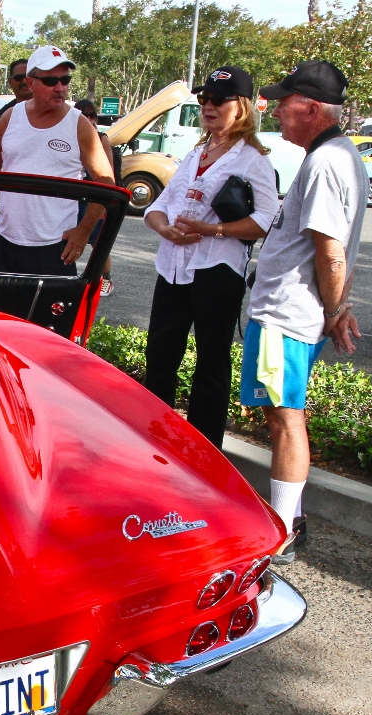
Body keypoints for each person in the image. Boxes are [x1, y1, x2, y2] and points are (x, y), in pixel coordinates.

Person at [242, 60, 366, 564]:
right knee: (284, 412)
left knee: (284, 418)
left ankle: (284, 530)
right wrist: (336, 306)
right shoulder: (340, 156)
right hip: (293, 313)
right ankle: (287, 518)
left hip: (286, 316)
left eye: (285, 101)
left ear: (310, 107)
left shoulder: (326, 163)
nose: (274, 110)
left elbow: (331, 252)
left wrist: (335, 310)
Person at [142, 66, 280, 449]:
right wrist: (163, 228)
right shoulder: (195, 152)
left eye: (220, 100)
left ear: (244, 107)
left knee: (211, 365)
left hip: (215, 271)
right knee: (160, 357)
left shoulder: (253, 159)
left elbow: (266, 220)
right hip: (172, 268)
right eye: (205, 99)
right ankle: (156, 442)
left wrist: (213, 231)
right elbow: (158, 206)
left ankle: (205, 455)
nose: (209, 106)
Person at [0, 45, 115, 277]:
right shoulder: (10, 118)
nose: (60, 88)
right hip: (2, 244)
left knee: (44, 315)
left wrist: (83, 231)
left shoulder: (79, 124)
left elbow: (106, 180)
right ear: (31, 83)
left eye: (65, 80)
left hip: (55, 248)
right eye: (51, 80)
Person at [75, 98, 118, 295]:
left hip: (96, 198)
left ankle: (106, 279)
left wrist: (102, 205)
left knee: (98, 242)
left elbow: (108, 175)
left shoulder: (101, 139)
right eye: (84, 114)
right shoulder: (73, 135)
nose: (89, 118)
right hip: (75, 198)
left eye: (91, 114)